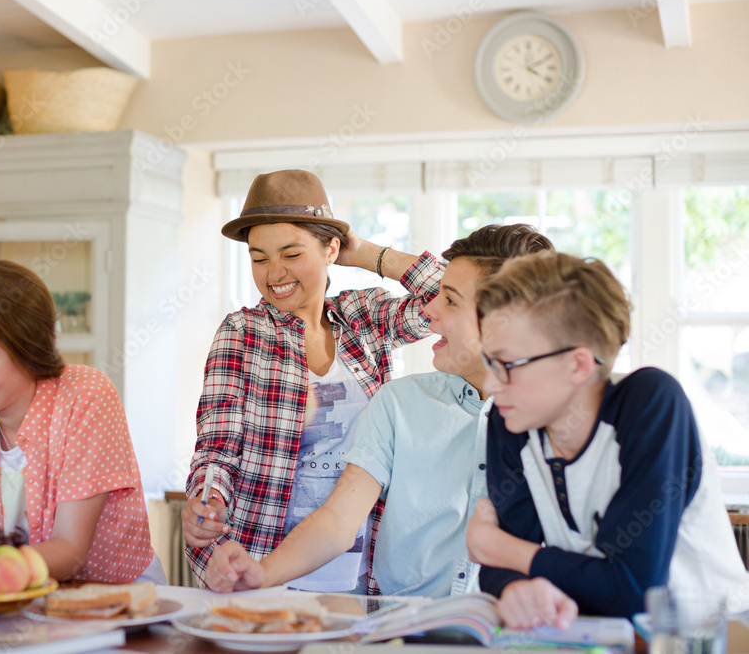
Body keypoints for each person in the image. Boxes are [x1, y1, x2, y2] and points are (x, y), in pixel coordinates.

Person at [204, 224, 554, 596]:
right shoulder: (399, 403)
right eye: (259, 258)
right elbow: (338, 520)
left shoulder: (559, 419)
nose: (430, 308)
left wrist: (364, 253)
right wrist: (263, 573)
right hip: (398, 623)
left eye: (450, 301)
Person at [183, 169, 445, 593]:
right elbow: (217, 447)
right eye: (259, 258)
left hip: (363, 571)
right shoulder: (242, 333)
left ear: (331, 249)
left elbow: (456, 300)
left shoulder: (363, 318)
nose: (274, 273)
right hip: (262, 566)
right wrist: (208, 501)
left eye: (291, 254)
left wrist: (367, 253)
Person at [467, 251, 747, 628]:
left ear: (578, 365)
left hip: (713, 635)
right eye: (488, 362)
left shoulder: (651, 402)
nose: (490, 384)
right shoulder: (512, 420)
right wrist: (516, 586)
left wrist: (495, 546)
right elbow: (500, 569)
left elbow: (634, 590)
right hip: (598, 635)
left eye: (506, 364)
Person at [0, 259, 164, 584]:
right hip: (10, 592)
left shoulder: (86, 396)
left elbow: (69, 552)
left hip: (112, 597)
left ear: (28, 352)